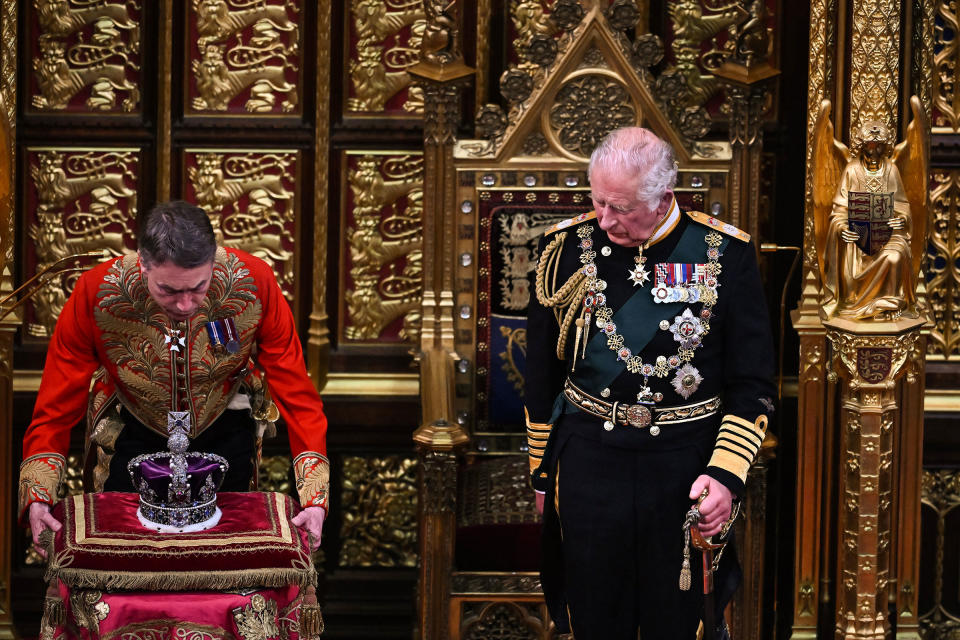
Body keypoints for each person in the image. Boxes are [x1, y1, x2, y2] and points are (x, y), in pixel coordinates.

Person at [524, 127, 775, 639]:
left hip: (685, 468)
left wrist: (726, 477)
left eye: (620, 207)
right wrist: (541, 471)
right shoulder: (564, 250)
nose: (605, 219)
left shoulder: (724, 255)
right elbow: (542, 376)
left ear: (664, 197)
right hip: (590, 464)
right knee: (593, 620)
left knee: (678, 623)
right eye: (597, 202)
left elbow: (752, 383)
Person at [19, 200, 329, 553]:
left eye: (198, 287)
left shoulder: (254, 282)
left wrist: (314, 499)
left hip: (225, 430)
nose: (185, 305)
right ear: (143, 264)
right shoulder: (96, 293)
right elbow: (56, 405)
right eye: (168, 290)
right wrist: (38, 497)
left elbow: (297, 392)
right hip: (131, 435)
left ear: (214, 261)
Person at [822, 120, 917, 320]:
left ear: (885, 147)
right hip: (858, 237)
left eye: (878, 147)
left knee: (896, 256)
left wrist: (901, 220)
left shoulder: (891, 170)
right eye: (870, 147)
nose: (873, 152)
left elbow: (903, 206)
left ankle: (889, 305)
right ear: (862, 146)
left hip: (888, 236)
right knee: (851, 259)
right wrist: (841, 228)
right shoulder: (852, 170)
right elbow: (839, 211)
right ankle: (852, 301)